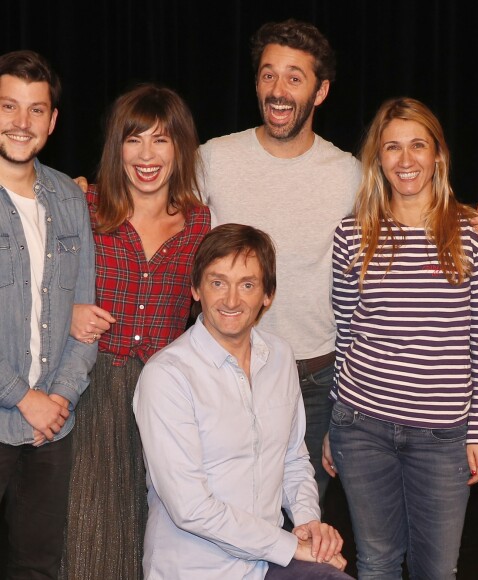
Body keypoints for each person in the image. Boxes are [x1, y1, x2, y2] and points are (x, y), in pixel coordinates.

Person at [197, 18, 478, 504]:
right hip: (228, 370)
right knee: (224, 510)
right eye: (268, 74)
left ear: (320, 93)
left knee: (303, 518)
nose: (279, 90)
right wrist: (87, 193)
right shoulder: (212, 159)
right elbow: (154, 207)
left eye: (295, 78)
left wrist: (476, 219)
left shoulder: (348, 175)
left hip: (317, 377)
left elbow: (411, 206)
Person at [323, 98, 478, 579]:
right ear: (378, 159)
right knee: (378, 562)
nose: (406, 160)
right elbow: (346, 331)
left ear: (438, 155)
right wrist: (333, 420)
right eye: (393, 147)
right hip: (361, 427)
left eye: (418, 145)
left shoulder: (475, 236)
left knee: (436, 570)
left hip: (443, 435)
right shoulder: (351, 234)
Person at [133, 223, 351, 579]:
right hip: (196, 569)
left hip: (265, 564)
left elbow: (293, 460)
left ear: (268, 295)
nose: (231, 300)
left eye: (247, 285)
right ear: (196, 289)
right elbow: (191, 508)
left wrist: (309, 523)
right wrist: (292, 547)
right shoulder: (167, 375)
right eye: (218, 282)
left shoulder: (280, 357)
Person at [60, 85, 210, 580]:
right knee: (88, 529)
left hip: (165, 395)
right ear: (115, 147)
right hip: (92, 387)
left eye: (161, 140)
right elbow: (31, 289)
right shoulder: (83, 205)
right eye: (134, 140)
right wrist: (68, 311)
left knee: (157, 532)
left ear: (180, 148)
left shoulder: (199, 222)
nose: (147, 155)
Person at [0, 50, 97, 579]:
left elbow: (86, 314)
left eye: (36, 110)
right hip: (12, 406)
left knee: (36, 566)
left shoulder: (69, 198)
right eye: (8, 107)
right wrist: (24, 398)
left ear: (53, 121)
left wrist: (58, 398)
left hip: (51, 430)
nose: (21, 123)